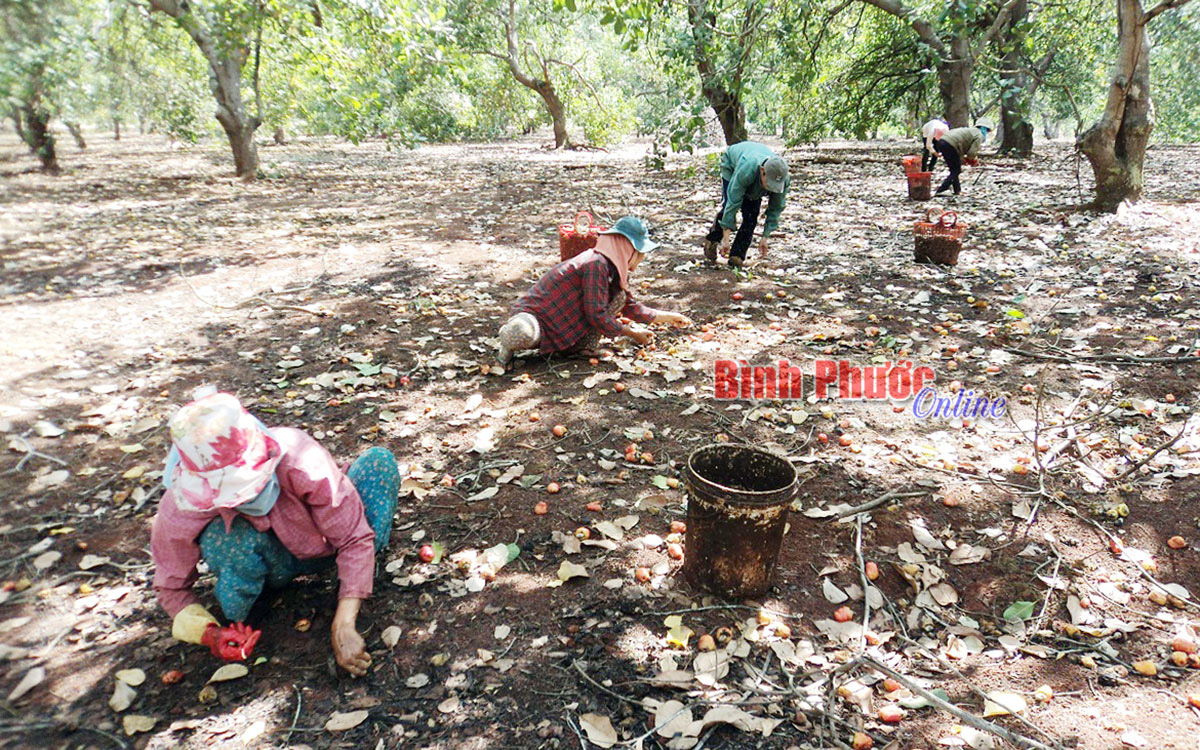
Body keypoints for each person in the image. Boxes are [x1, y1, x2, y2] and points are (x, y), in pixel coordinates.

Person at [150, 388, 399, 677]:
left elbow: (354, 536)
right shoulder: (182, 502)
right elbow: (170, 585)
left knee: (377, 463)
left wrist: (343, 624)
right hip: (267, 561)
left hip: (325, 542)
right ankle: (254, 603)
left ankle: (353, 579)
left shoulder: (297, 456)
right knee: (222, 537)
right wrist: (210, 634)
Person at [497, 216, 691, 366]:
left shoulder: (614, 269)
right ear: (628, 250)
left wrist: (669, 317)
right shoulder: (596, 264)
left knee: (620, 297)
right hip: (537, 318)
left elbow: (629, 306)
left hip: (562, 325)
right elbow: (595, 314)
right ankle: (507, 342)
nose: (640, 260)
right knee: (522, 333)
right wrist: (632, 333)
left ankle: (579, 348)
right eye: (640, 255)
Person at [701, 141, 790, 269]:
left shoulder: (783, 178)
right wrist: (726, 239)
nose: (772, 189)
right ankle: (713, 239)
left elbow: (776, 208)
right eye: (769, 184)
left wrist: (765, 236)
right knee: (728, 206)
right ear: (762, 171)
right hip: (732, 165)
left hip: (754, 173)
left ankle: (737, 255)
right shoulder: (747, 169)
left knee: (751, 215)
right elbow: (733, 203)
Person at [934, 124, 990, 196]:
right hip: (950, 144)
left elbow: (961, 146)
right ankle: (941, 189)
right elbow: (971, 153)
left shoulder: (970, 131)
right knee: (956, 170)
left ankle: (957, 190)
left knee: (953, 169)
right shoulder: (979, 135)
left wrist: (964, 159)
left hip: (942, 141)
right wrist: (973, 161)